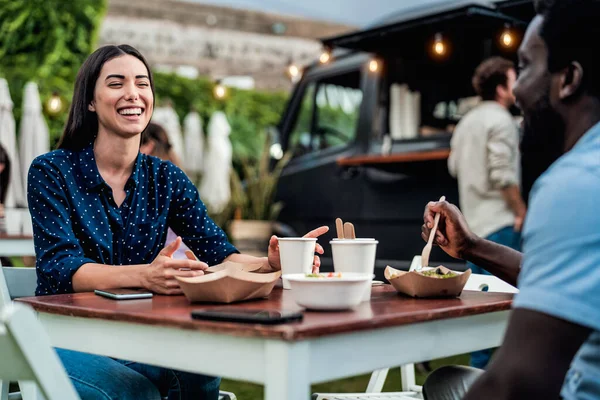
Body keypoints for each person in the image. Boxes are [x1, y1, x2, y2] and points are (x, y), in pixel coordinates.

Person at [27, 44, 328, 400]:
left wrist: (269, 264)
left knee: (200, 374)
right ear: (90, 101)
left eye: (142, 83)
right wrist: (145, 275)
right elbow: (60, 268)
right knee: (133, 391)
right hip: (61, 336)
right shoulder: (52, 171)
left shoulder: (166, 178)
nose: (132, 94)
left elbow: (219, 253)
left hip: (139, 335)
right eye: (116, 83)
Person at [422, 0, 600, 398]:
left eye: (525, 66)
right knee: (450, 379)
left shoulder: (576, 182)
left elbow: (516, 383)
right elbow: (566, 273)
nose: (517, 87)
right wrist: (472, 246)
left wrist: (519, 212)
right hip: (492, 225)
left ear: (568, 78)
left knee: (464, 376)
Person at [447, 56, 526, 369]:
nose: (518, 84)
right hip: (500, 223)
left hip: (472, 226)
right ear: (501, 89)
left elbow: (453, 166)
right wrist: (521, 211)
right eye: (513, 79)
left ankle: (475, 376)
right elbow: (502, 175)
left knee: (479, 310)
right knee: (509, 312)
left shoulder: (466, 122)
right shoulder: (501, 120)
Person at [140, 122, 190, 260]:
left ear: (148, 146)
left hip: (167, 264)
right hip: (185, 261)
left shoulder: (152, 180)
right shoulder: (176, 173)